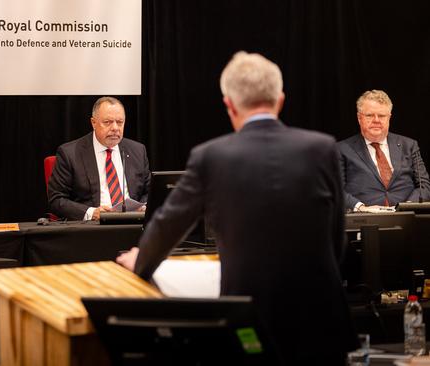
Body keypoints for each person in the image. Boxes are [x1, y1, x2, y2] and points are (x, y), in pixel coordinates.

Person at [116, 52, 357, 365]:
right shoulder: (322, 148)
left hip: (249, 320)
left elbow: (166, 225)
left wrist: (142, 261)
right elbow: (336, 239)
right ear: (280, 100)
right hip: (320, 322)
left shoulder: (210, 157)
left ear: (229, 104)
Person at [47, 97, 150, 220]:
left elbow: (149, 191)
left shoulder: (137, 151)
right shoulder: (70, 153)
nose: (115, 128)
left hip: (132, 225)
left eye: (120, 122)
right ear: (93, 123)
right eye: (107, 122)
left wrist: (143, 207)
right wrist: (91, 213)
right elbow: (56, 199)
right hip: (92, 229)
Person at [338, 90, 430, 212]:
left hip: (406, 218)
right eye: (370, 115)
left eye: (381, 116)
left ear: (389, 117)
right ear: (359, 118)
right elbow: (335, 189)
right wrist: (362, 208)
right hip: (364, 219)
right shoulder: (341, 149)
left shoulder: (409, 145)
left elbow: (424, 185)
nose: (376, 120)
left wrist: (406, 206)